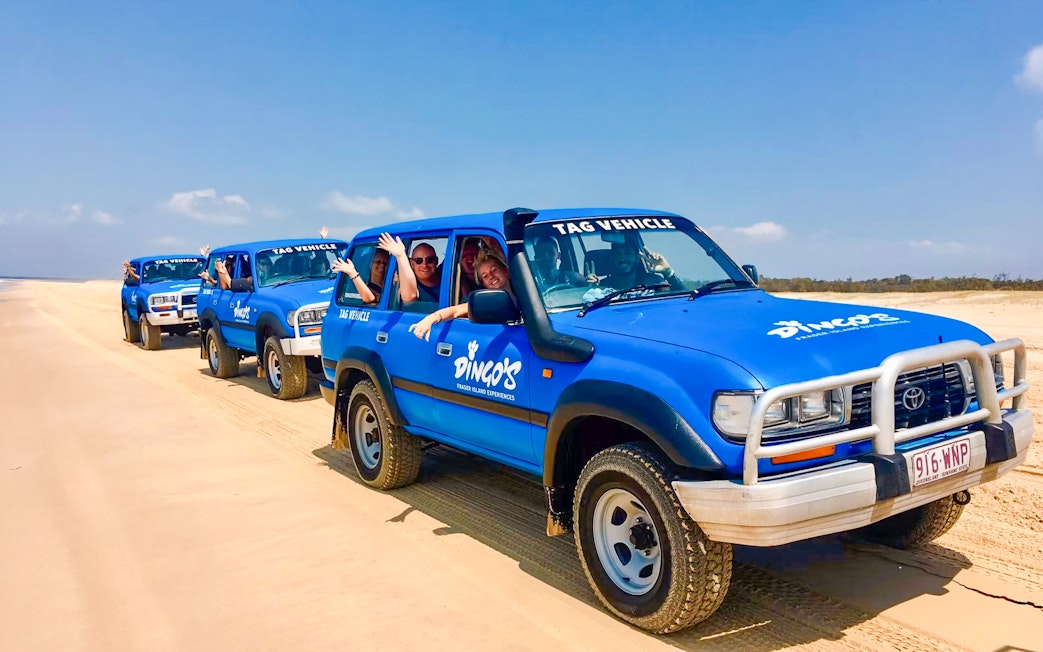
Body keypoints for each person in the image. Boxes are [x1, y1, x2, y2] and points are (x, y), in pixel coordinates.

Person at [409, 248, 512, 341]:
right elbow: (455, 311)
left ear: (506, 270)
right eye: (485, 276)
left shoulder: (526, 293)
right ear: (483, 284)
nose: (491, 276)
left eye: (494, 270)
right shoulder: (487, 302)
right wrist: (430, 319)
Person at [598, 241, 684, 291]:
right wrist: (589, 288)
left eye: (628, 253)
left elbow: (684, 300)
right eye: (618, 254)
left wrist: (668, 272)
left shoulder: (653, 283)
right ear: (612, 258)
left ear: (637, 258)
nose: (622, 258)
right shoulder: (602, 288)